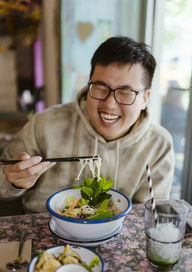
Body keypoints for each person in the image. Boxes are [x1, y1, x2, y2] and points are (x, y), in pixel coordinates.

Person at [0, 36, 175, 213]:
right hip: (43, 230)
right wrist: (13, 181)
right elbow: (2, 183)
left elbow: (151, 214)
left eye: (125, 92)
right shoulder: (46, 124)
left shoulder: (158, 145)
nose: (109, 104)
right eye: (100, 87)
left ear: (145, 99)